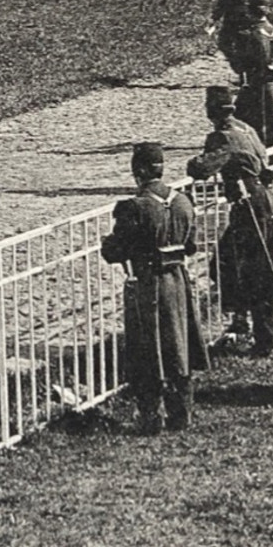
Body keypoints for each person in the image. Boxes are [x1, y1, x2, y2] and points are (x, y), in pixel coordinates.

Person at [101, 142, 209, 434]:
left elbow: (115, 252)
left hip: (148, 284)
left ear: (137, 171)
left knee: (147, 349)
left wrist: (108, 243)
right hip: (178, 281)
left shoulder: (134, 208)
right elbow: (191, 245)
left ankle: (149, 416)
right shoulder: (183, 201)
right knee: (178, 346)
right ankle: (181, 412)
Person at [190, 137, 273, 357]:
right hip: (255, 232)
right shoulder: (257, 192)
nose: (226, 187)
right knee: (224, 265)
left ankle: (264, 340)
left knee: (259, 282)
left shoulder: (249, 201)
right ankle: (242, 320)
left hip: (256, 243)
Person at [230, 0, 273, 146]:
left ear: (250, 11)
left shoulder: (250, 35)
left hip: (255, 88)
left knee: (247, 129)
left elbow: (239, 66)